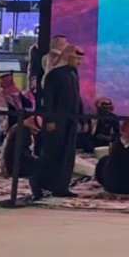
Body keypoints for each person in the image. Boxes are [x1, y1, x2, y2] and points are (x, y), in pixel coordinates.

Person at [30, 43, 83, 199]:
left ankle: (61, 186)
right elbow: (49, 100)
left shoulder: (73, 74)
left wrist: (82, 119)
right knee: (52, 153)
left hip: (70, 121)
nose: (79, 62)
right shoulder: (54, 75)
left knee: (67, 154)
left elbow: (76, 98)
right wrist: (50, 120)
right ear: (67, 56)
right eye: (76, 58)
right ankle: (38, 183)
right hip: (57, 122)